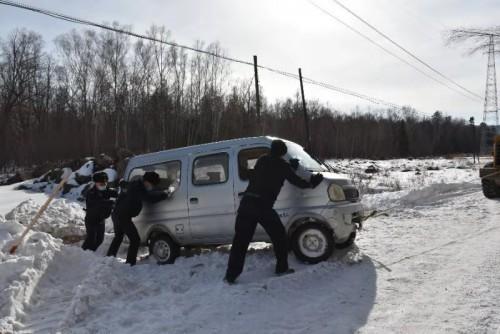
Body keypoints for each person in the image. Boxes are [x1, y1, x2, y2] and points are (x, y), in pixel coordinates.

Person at [225, 139, 324, 284]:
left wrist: (289, 166)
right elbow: (298, 182)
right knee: (279, 237)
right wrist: (312, 182)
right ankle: (281, 268)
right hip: (263, 207)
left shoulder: (262, 160)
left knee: (240, 242)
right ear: (283, 153)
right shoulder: (282, 166)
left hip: (246, 204)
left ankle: (230, 276)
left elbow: (263, 171)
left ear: (271, 150)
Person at [107, 171, 169, 266]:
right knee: (135, 240)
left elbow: (125, 184)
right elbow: (149, 198)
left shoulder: (135, 184)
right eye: (151, 184)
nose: (151, 186)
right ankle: (130, 263)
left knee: (118, 237)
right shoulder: (138, 188)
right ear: (147, 181)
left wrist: (122, 182)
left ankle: (108, 259)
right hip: (123, 216)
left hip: (117, 214)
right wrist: (164, 194)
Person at [82, 172, 118, 251]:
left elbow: (117, 194)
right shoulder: (91, 193)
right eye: (100, 184)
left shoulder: (107, 190)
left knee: (99, 240)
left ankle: (90, 253)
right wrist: (110, 202)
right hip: (91, 219)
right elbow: (98, 202)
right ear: (96, 183)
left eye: (104, 183)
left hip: (101, 220)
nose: (103, 185)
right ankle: (83, 253)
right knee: (91, 239)